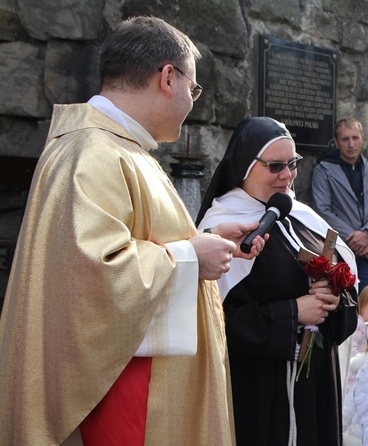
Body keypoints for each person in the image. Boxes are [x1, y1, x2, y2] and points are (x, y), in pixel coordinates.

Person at [0, 17, 269, 446]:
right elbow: (92, 276)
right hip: (124, 397)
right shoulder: (92, 151)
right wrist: (189, 258)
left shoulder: (119, 147)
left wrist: (206, 239)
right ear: (168, 78)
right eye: (193, 89)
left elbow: (139, 238)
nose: (192, 102)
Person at [196, 116, 359, 446]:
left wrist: (334, 299)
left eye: (293, 163)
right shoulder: (221, 226)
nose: (287, 175)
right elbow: (219, 322)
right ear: (245, 166)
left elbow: (346, 283)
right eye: (275, 166)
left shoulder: (302, 215)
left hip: (316, 380)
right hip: (263, 389)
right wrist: (293, 311)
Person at [312, 118, 368, 290]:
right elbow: (323, 210)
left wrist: (367, 233)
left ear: (362, 138)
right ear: (336, 142)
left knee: (365, 304)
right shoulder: (324, 170)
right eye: (345, 139)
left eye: (355, 138)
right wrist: (357, 239)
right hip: (338, 250)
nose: (351, 144)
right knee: (339, 302)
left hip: (367, 253)